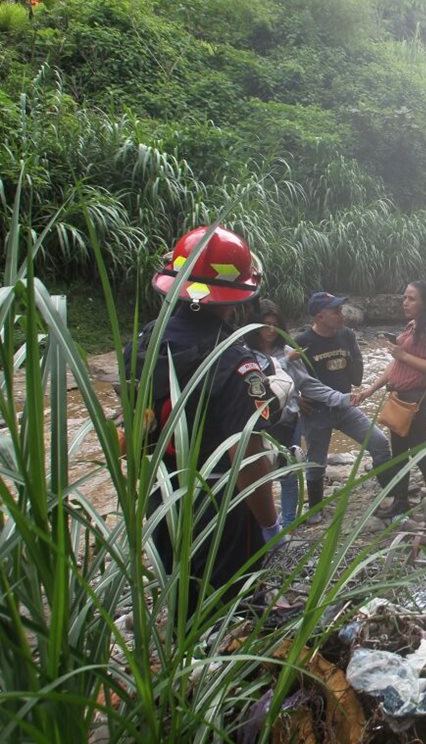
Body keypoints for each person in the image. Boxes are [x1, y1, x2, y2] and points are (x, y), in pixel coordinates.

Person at [128, 225, 283, 605]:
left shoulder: (145, 342)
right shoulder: (234, 362)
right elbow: (248, 461)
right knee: (232, 607)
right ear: (237, 294)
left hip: (162, 497)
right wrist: (269, 524)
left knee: (182, 597)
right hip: (222, 509)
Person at [356, 281, 426, 528]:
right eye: (405, 298)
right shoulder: (413, 326)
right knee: (399, 453)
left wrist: (403, 355)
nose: (405, 302)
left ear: (425, 302)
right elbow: (396, 365)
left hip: (417, 400)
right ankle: (401, 502)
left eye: (411, 298)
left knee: (420, 453)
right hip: (401, 398)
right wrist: (370, 389)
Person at [244, 300, 353, 526]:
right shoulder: (246, 355)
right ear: (255, 327)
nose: (271, 331)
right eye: (266, 325)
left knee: (289, 474)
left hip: (289, 421)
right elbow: (255, 384)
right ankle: (260, 525)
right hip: (258, 425)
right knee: (256, 475)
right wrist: (285, 362)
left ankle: (288, 526)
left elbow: (308, 384)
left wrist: (342, 399)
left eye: (275, 325)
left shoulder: (287, 351)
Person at [294, 291, 399, 524]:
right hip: (316, 412)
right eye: (335, 311)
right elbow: (288, 376)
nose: (341, 315)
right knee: (316, 461)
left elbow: (357, 377)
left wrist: (354, 357)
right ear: (319, 316)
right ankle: (315, 509)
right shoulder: (302, 342)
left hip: (345, 407)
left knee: (379, 442)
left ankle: (390, 496)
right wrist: (295, 399)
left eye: (341, 310)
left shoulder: (347, 335)